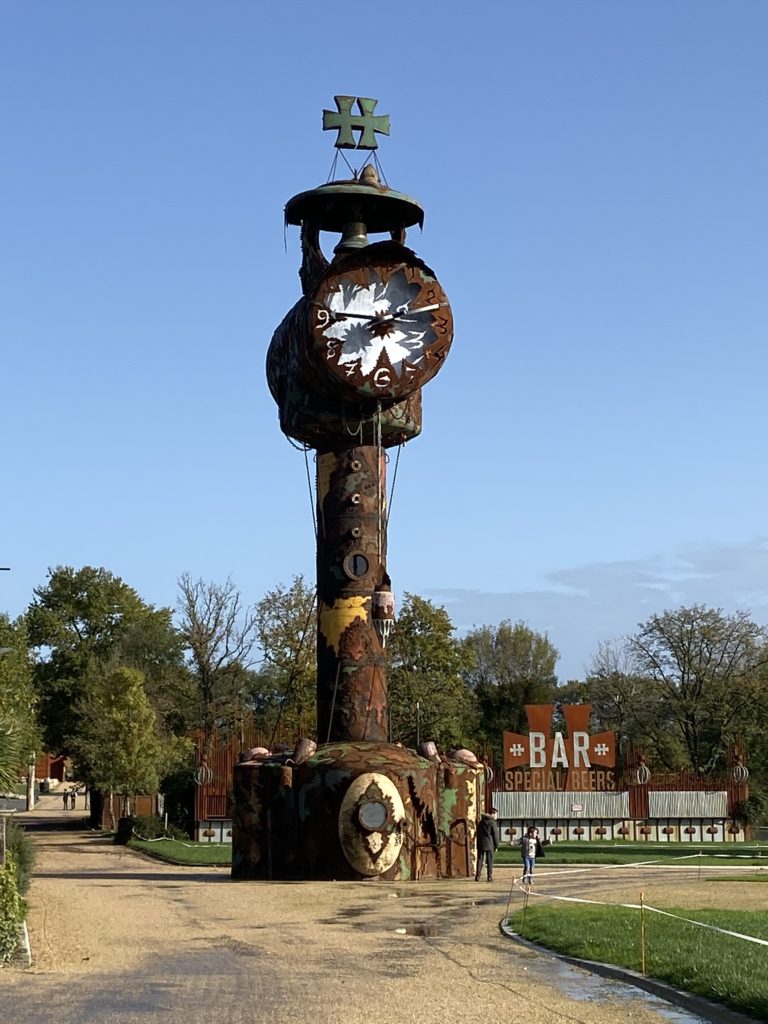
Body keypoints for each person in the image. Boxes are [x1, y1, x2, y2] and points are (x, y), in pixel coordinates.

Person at [475, 807, 500, 882]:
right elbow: (495, 834)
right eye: (496, 814)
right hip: (490, 844)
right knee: (489, 860)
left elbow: (478, 832)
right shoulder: (492, 822)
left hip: (481, 843)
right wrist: (497, 845)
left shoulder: (481, 822)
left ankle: (477, 876)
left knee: (480, 859)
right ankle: (489, 876)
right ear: (492, 814)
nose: (496, 816)